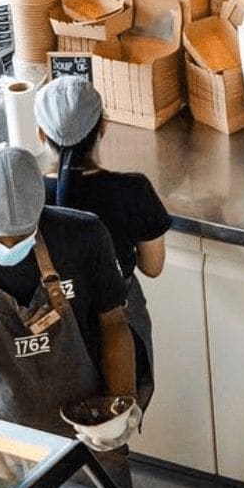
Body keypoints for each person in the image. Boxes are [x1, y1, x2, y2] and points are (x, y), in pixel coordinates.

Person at [0, 144, 136, 440]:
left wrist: (119, 409)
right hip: (3, 431)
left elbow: (114, 324)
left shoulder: (85, 236)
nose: (9, 246)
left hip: (92, 423)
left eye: (23, 235)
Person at [33, 76, 171, 409]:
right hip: (122, 328)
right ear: (103, 127)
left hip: (52, 335)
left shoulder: (29, 197)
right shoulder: (133, 190)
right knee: (114, 419)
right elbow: (153, 267)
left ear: (41, 134)